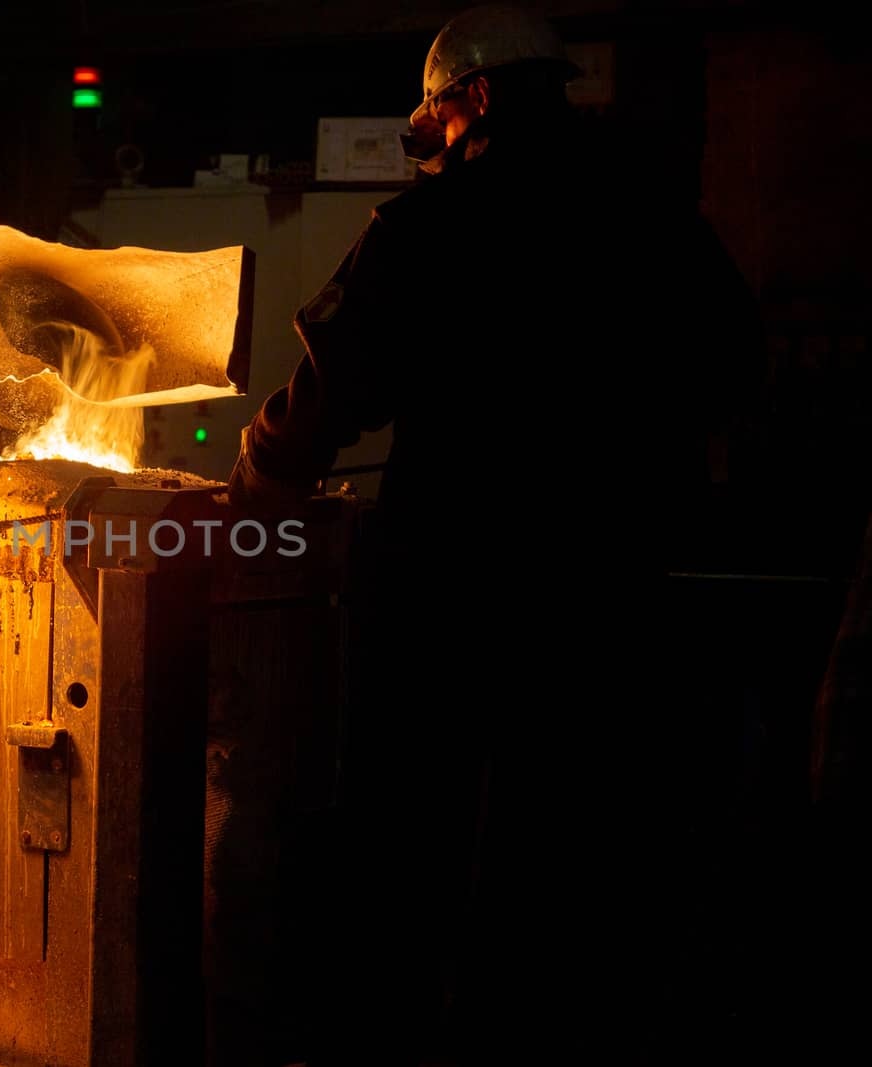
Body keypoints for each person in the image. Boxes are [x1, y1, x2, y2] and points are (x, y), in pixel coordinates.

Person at [229, 4, 760, 1064]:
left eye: (432, 110)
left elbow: (341, 380)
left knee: (411, 820)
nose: (424, 132)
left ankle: (401, 1031)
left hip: (454, 571)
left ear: (472, 100)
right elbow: (730, 364)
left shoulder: (433, 225)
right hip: (612, 574)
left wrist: (259, 471)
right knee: (575, 824)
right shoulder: (656, 213)